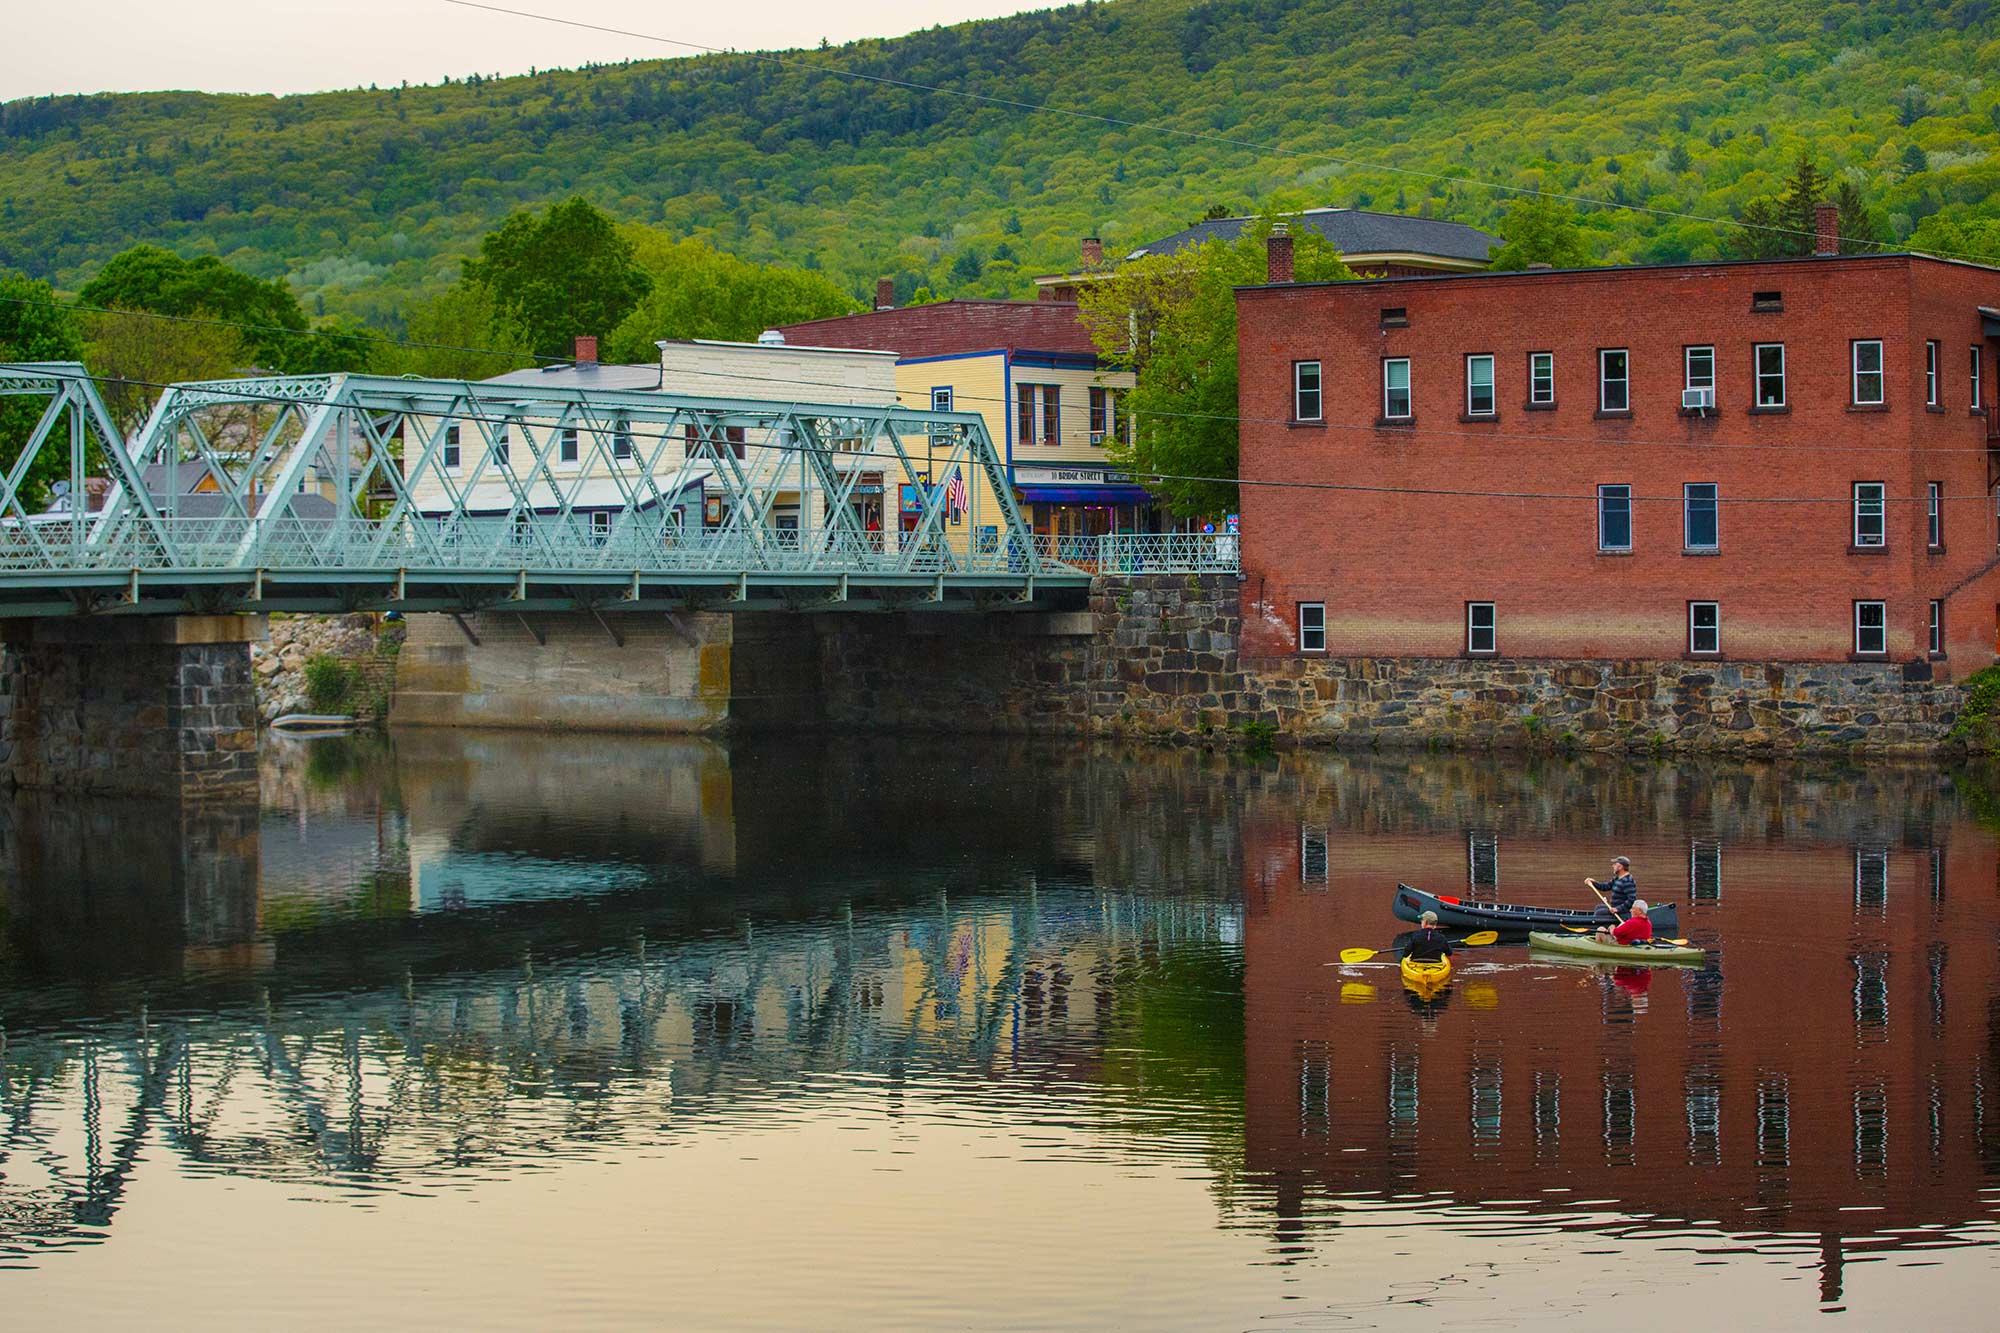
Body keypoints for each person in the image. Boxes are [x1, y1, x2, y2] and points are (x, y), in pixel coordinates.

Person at [1584, 855, 1639, 921]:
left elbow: (1632, 900)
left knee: (1599, 913)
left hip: (1622, 912)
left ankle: (1597, 925)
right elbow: (1605, 887)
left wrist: (1618, 909)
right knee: (1598, 907)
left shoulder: (1628, 882)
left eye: (1615, 864)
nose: (1613, 866)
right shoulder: (1617, 878)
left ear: (1620, 867)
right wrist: (1593, 882)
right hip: (1614, 908)